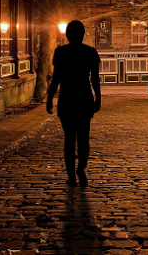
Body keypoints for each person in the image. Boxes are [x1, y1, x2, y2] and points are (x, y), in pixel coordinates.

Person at [46, 20, 101, 187]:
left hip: (67, 98)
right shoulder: (90, 52)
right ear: (83, 34)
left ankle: (71, 174)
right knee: (83, 138)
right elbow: (95, 79)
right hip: (84, 98)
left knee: (69, 139)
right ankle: (81, 169)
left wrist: (49, 99)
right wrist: (98, 98)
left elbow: (56, 78)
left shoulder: (60, 52)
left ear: (67, 35)